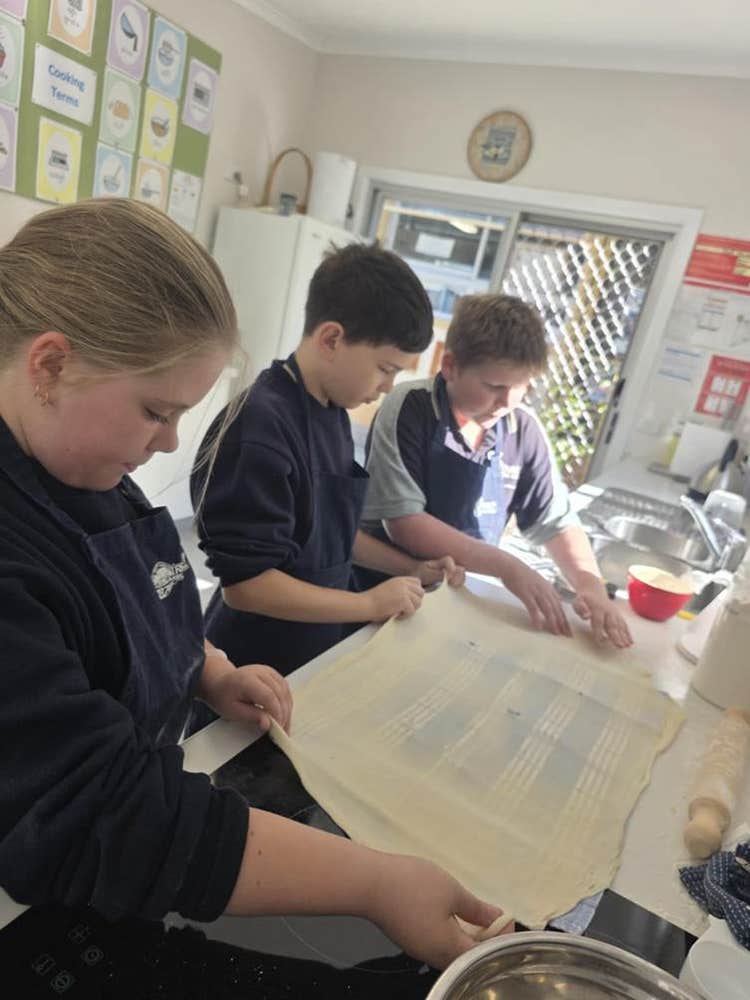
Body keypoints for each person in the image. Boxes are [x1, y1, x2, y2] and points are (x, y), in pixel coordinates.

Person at [0, 200, 505, 977]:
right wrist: (373, 882)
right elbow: (101, 811)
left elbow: (149, 602)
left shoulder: (92, 470)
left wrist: (211, 670)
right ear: (51, 365)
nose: (169, 441)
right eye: (157, 411)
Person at [192, 243, 464, 678]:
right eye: (385, 368)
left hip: (312, 651)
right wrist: (369, 604)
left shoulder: (332, 411)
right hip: (253, 664)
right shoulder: (261, 427)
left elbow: (332, 533)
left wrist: (412, 568)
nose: (388, 386)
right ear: (332, 339)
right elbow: (246, 587)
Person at [361, 293, 633, 648]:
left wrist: (591, 587)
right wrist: (506, 567)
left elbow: (556, 522)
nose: (507, 402)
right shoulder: (411, 410)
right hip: (386, 595)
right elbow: (405, 525)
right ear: (451, 367)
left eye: (520, 388)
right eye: (494, 387)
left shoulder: (522, 430)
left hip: (462, 598)